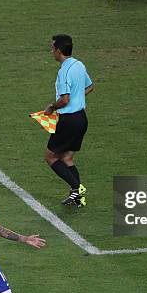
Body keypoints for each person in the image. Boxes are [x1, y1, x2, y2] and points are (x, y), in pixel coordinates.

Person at [44, 35, 94, 207]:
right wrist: (77, 97)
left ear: (59, 50)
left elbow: (64, 99)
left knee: (50, 156)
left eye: (52, 48)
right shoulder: (79, 65)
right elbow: (90, 86)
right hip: (81, 118)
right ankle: (78, 199)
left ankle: (76, 188)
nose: (51, 52)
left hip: (68, 119)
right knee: (67, 157)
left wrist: (52, 107)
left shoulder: (64, 71)